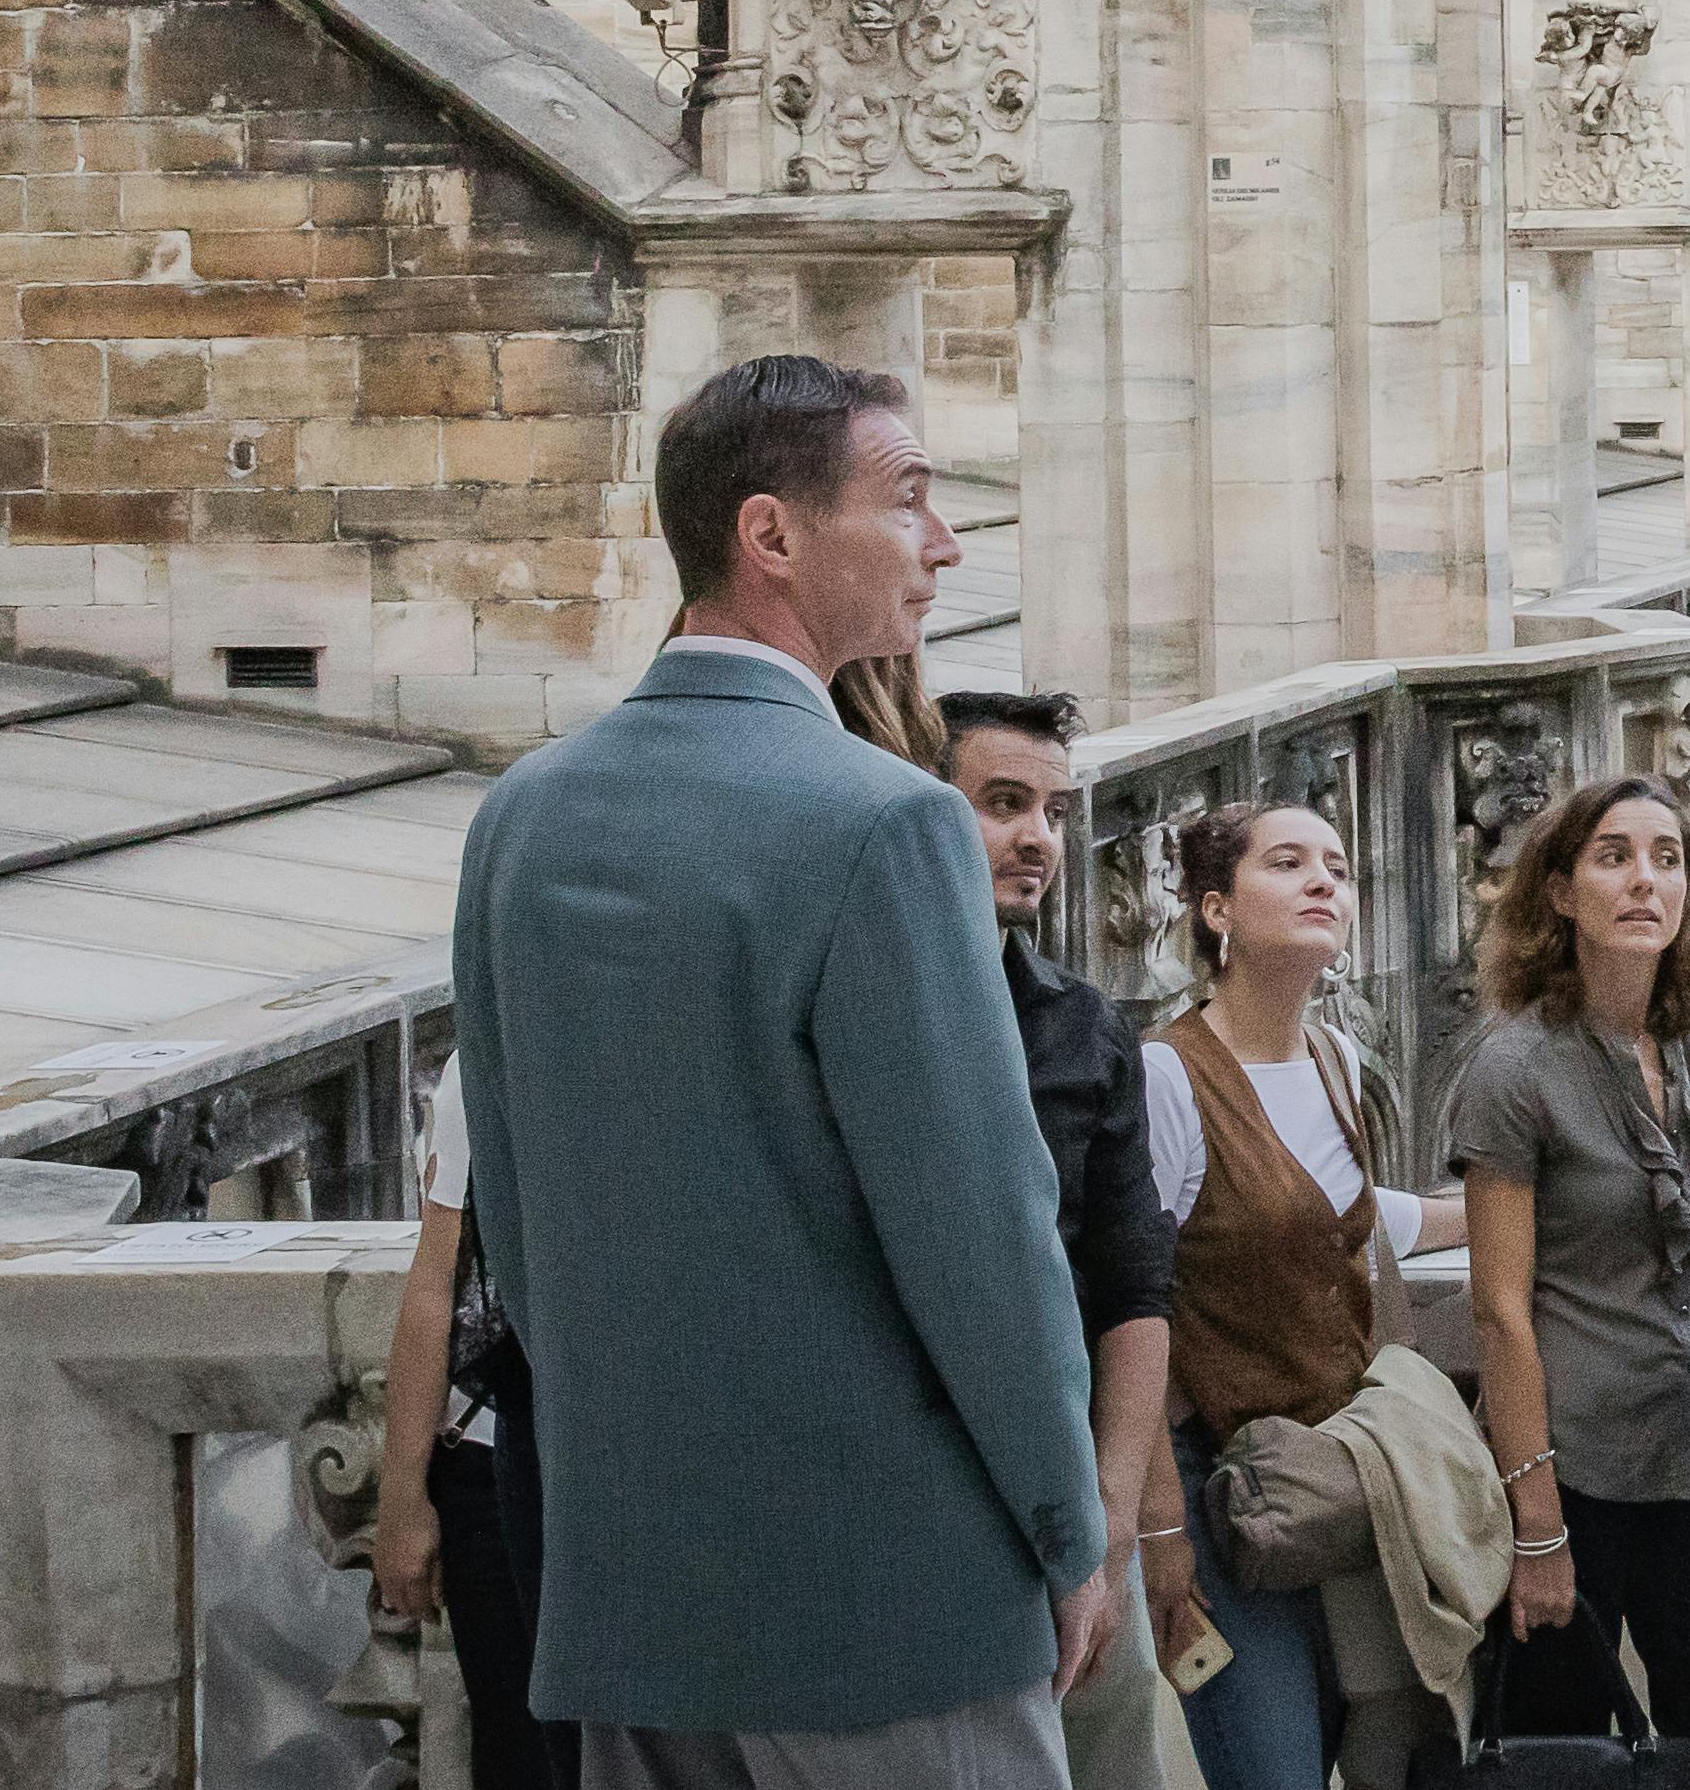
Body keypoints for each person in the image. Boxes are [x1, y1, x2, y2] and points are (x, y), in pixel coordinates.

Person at [452, 352, 1122, 1785]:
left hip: (632, 1596)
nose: (942, 541)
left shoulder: (520, 814)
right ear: (770, 534)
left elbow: (513, 1221)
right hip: (888, 1606)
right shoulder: (887, 822)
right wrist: (1071, 1530)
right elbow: (980, 1235)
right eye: (909, 499)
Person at [1445, 778, 1690, 1775]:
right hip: (1572, 1476)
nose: (1644, 879)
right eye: (1613, 856)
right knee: (1554, 1756)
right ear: (1560, 894)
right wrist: (1536, 1528)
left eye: (1666, 857)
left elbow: (1680, 1234)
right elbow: (1499, 1310)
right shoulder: (1513, 1071)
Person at [1143, 795, 1436, 1790]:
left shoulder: (1335, 1059)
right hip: (1220, 1490)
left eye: (1338, 867)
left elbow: (1349, 1223)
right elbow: (1127, 1308)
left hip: (1340, 1471)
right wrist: (1157, 1533)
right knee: (1270, 1769)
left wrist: (1519, 1208)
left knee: (1380, 1750)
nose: (1324, 881)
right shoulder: (1168, 1077)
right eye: (1288, 862)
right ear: (1215, 909)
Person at [940, 688, 1188, 1790]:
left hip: (1073, 1504)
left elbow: (1135, 1288)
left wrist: (1113, 1522)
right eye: (1002, 802)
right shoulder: (844, 1002)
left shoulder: (1084, 1024)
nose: (1037, 838)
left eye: (1052, 810)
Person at [361, 1049, 555, 1790]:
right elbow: (435, 1284)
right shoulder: (487, 1062)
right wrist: (403, 1498)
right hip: (490, 1459)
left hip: (597, 1463)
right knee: (519, 1743)